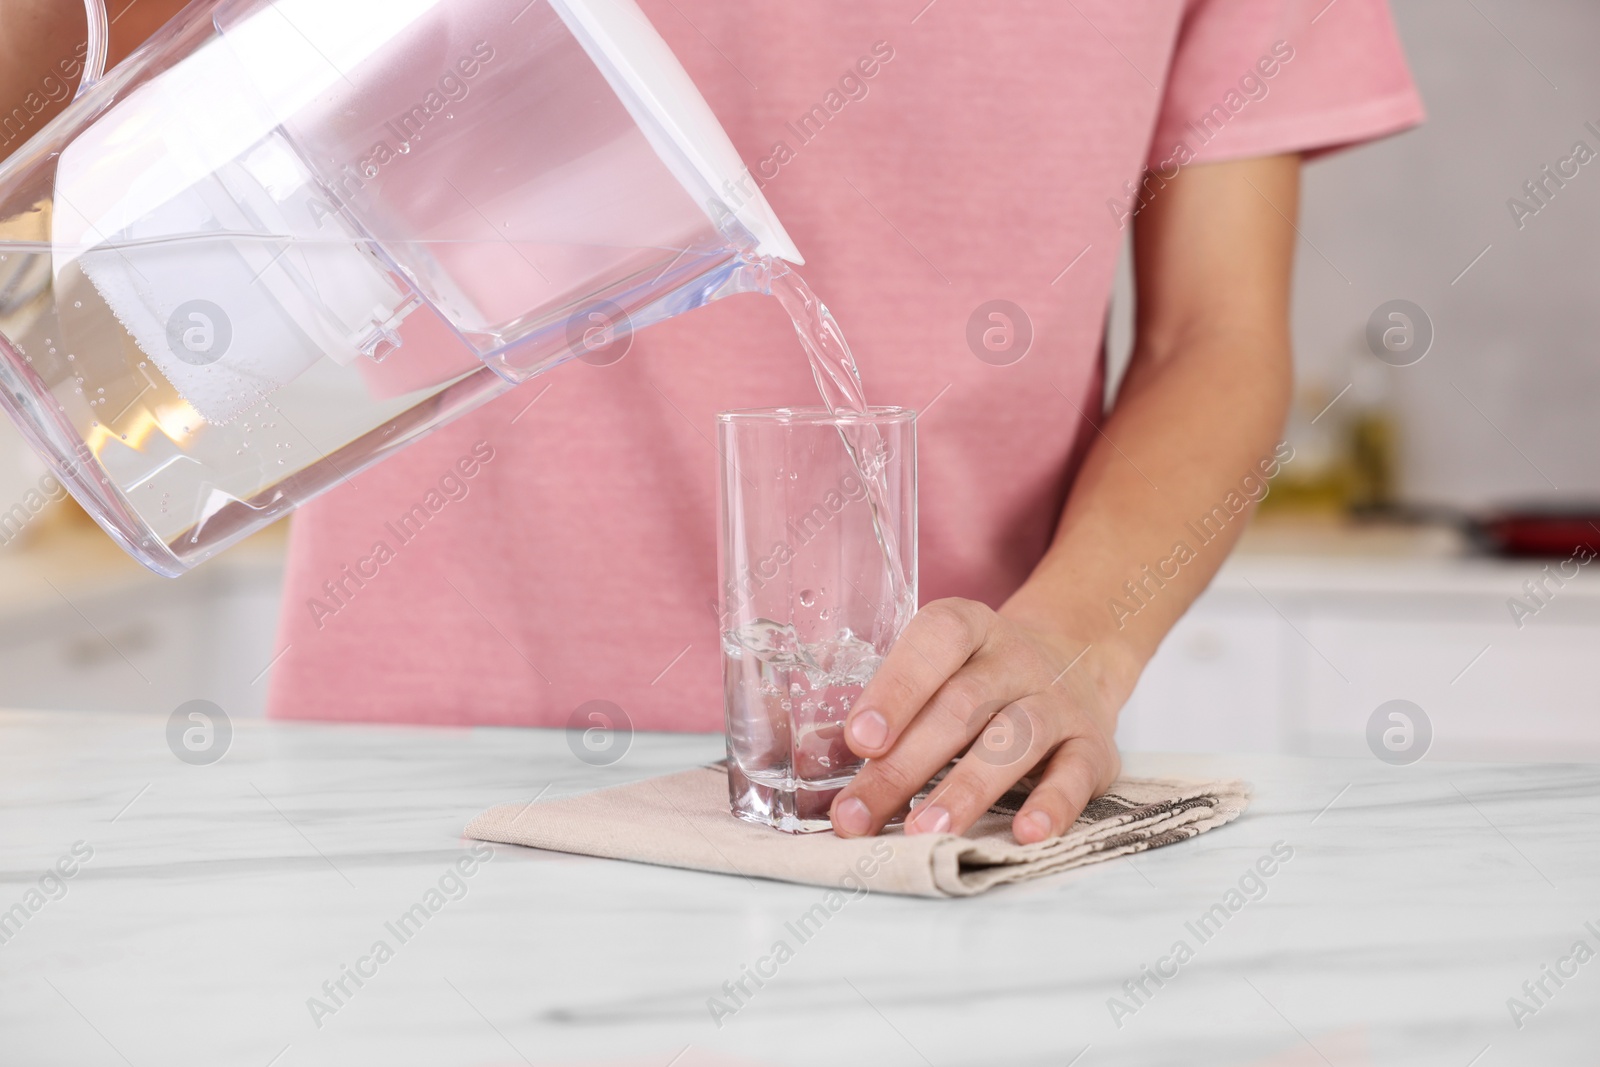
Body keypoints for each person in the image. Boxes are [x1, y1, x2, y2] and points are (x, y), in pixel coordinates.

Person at [247, 1, 1419, 842]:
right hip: (409, 758)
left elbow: (1208, 337)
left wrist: (1078, 638)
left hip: (905, 776)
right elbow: (91, 71)